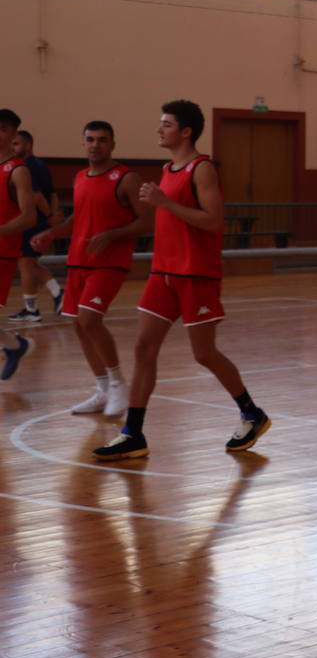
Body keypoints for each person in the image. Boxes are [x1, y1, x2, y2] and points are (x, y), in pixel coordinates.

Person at [93, 101, 270, 460]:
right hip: (164, 273)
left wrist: (164, 202)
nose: (160, 129)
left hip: (196, 274)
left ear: (186, 131)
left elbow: (213, 220)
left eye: (167, 124)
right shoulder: (168, 168)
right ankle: (133, 433)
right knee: (144, 348)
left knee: (203, 353)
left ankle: (252, 413)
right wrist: (161, 201)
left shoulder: (202, 169)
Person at [32, 121, 152, 416]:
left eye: (102, 140)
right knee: (78, 324)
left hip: (109, 262)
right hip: (78, 261)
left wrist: (112, 234)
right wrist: (52, 233)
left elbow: (148, 222)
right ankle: (102, 390)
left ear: (113, 144)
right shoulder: (80, 177)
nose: (95, 145)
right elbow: (79, 217)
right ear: (83, 143)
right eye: (90, 139)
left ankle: (118, 384)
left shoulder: (126, 178)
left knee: (89, 321)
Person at [7, 129, 64, 322]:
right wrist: (53, 214)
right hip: (38, 221)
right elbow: (53, 194)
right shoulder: (40, 164)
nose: (12, 148)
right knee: (28, 264)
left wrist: (49, 215)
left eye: (16, 144)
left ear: (28, 145)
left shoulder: (26, 166)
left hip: (32, 222)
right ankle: (57, 294)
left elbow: (37, 196)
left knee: (25, 264)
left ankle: (32, 310)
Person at [0, 110, 37, 379]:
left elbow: (28, 217)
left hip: (3, 251)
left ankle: (15, 346)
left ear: (13, 135)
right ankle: (14, 345)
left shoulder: (18, 170)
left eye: (2, 129)